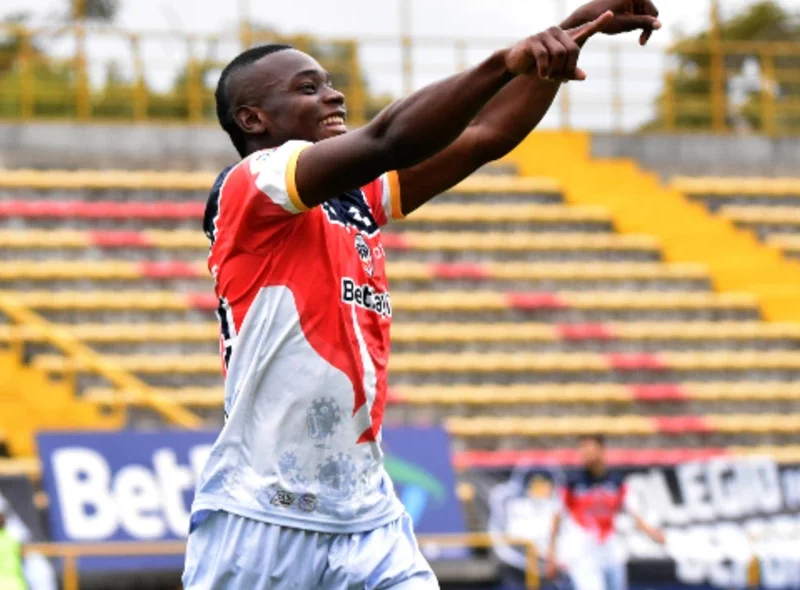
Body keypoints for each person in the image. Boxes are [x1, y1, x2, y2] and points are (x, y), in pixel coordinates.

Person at [183, 1, 661, 588]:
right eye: (309, 89)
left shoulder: (356, 199)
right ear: (253, 119)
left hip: (367, 517)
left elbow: (485, 136)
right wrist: (504, 62)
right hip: (262, 515)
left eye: (329, 84)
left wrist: (563, 40)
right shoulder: (251, 186)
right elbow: (389, 139)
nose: (333, 96)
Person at [546, 435, 665, 590]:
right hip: (583, 550)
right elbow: (557, 516)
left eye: (590, 449)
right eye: (583, 450)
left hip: (610, 548)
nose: (586, 454)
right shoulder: (572, 482)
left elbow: (633, 512)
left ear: (601, 450)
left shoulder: (616, 481)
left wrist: (651, 532)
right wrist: (552, 554)